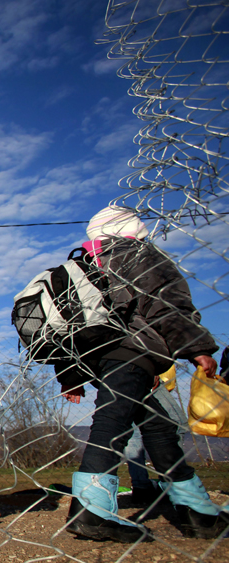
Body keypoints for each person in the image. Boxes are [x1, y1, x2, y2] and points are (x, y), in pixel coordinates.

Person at [60, 206, 227, 541]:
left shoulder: (85, 261)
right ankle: (92, 511)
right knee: (112, 422)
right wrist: (196, 346)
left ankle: (197, 510)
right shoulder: (138, 254)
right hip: (132, 350)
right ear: (131, 228)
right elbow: (164, 302)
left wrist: (71, 373)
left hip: (98, 355)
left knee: (160, 427)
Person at [123, 366, 187, 508]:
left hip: (121, 375)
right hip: (143, 372)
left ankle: (141, 487)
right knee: (175, 424)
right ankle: (174, 485)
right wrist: (150, 370)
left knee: (134, 430)